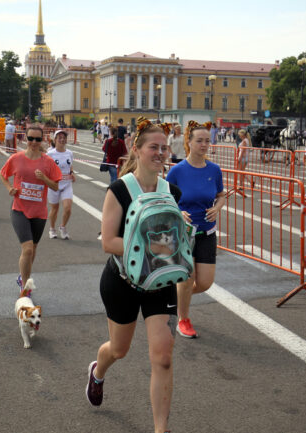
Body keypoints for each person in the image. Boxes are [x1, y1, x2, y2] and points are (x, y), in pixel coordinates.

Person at [86, 118, 180, 433]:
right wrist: (150, 246)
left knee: (163, 356)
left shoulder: (171, 191)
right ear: (136, 150)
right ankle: (98, 371)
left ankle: (160, 429)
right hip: (123, 282)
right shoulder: (120, 190)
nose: (160, 153)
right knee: (119, 350)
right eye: (153, 147)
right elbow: (108, 241)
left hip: (160, 283)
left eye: (164, 148)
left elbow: (174, 239)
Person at [166, 121, 225, 338]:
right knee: (188, 278)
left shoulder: (214, 170)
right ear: (188, 142)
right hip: (184, 234)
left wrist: (218, 208)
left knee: (205, 283)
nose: (204, 145)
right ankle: (183, 318)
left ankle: (175, 296)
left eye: (207, 141)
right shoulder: (177, 171)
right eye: (199, 140)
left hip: (207, 233)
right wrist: (178, 212)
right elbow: (165, 198)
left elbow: (220, 195)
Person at [0, 124, 61, 291]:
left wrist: (44, 179)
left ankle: (22, 276)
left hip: (39, 213)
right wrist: (9, 189)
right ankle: (25, 287)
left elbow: (55, 186)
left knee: (32, 250)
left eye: (38, 139)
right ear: (25, 139)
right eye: (30, 138)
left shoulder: (47, 162)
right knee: (27, 249)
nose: (34, 142)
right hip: (19, 209)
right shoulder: (16, 158)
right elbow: (3, 174)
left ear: (42, 140)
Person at [46, 130, 76, 240]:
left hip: (67, 184)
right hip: (54, 185)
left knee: (68, 208)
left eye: (64, 137)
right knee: (55, 209)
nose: (62, 139)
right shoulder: (50, 154)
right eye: (59, 137)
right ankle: (52, 229)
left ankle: (63, 227)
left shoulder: (69, 153)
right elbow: (46, 169)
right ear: (55, 140)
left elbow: (70, 165)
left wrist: (72, 173)